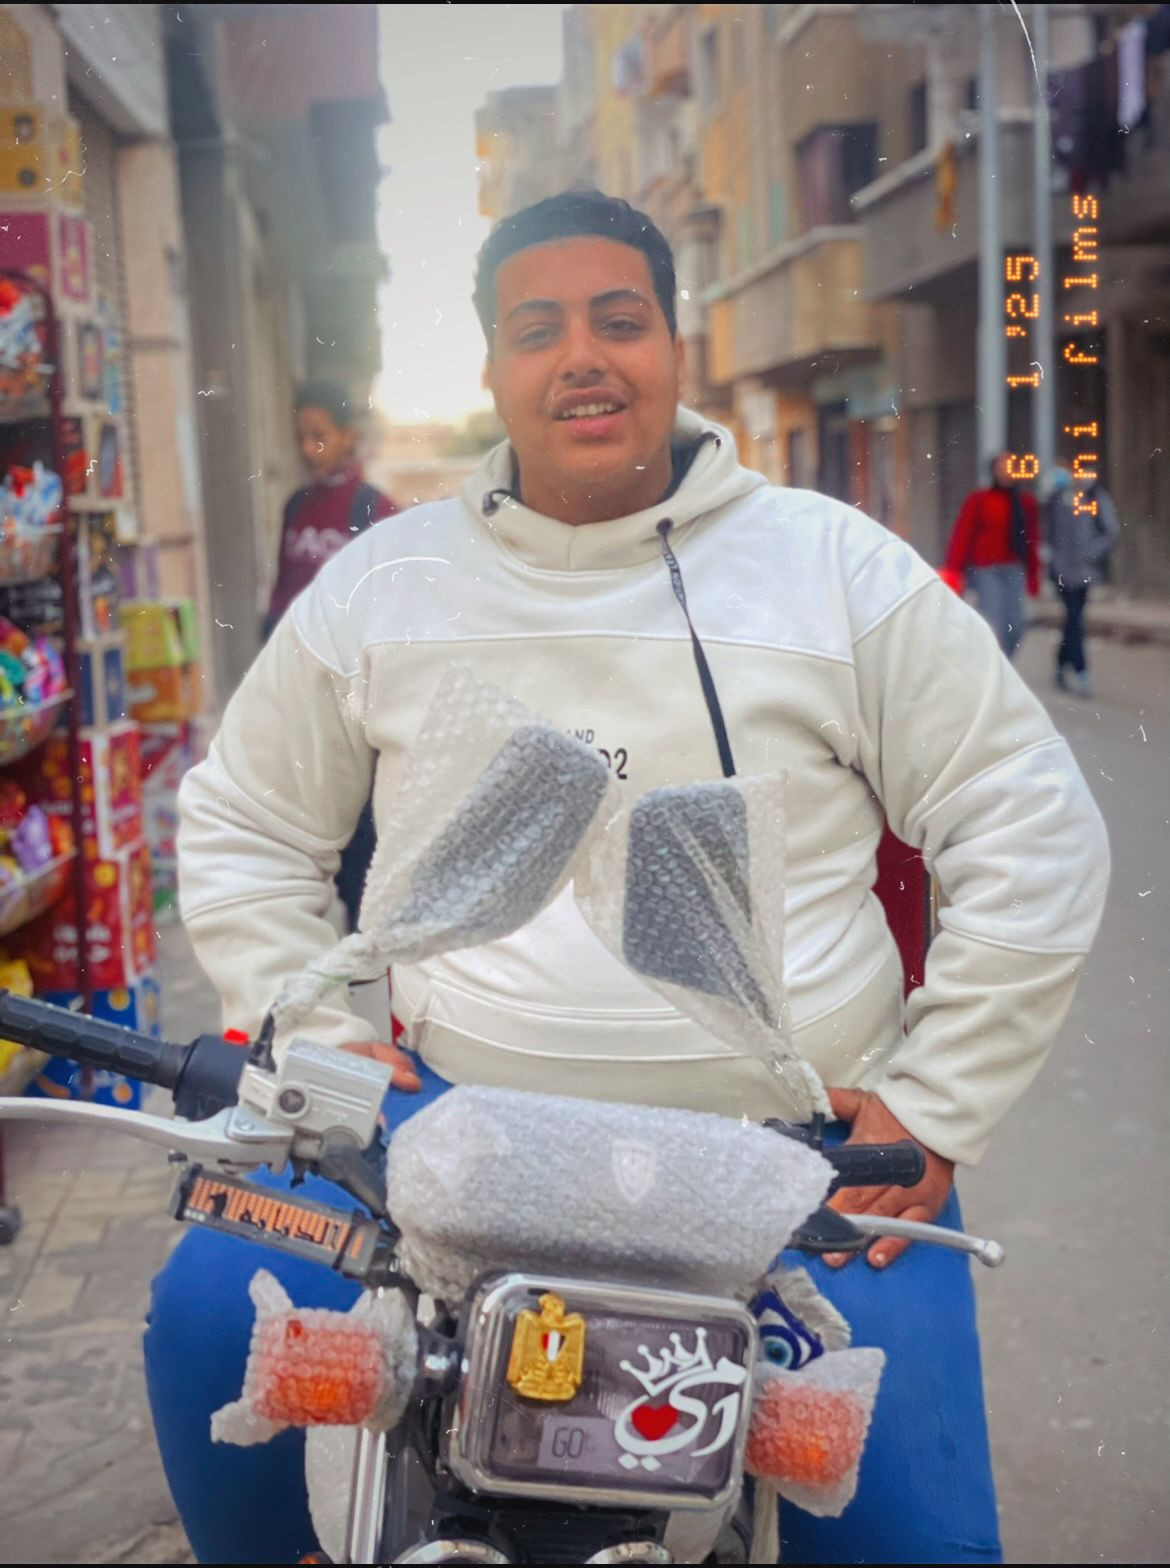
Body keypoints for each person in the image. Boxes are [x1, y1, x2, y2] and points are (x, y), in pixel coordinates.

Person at [154, 191, 1109, 1564]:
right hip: (448, 1150)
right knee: (206, 1325)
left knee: (906, 1528)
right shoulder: (382, 587)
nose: (581, 358)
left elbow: (1032, 823)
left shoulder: (835, 571)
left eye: (619, 319)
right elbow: (245, 821)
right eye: (536, 329)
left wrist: (936, 1097)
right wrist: (311, 1032)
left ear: (674, 346)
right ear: (493, 369)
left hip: (800, 1172)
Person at [263, 380, 398, 929]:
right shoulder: (297, 506)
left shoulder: (373, 509)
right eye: (300, 435)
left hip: (357, 702)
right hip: (304, 695)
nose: (307, 447)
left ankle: (372, 935)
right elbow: (280, 599)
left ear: (348, 436)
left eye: (319, 435)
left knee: (364, 834)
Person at [945, 454, 1041, 658]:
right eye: (1001, 469)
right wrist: (954, 570)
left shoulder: (1025, 502)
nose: (1006, 473)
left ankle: (1004, 662)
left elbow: (1032, 540)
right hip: (986, 569)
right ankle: (995, 665)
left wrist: (1034, 576)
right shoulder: (979, 500)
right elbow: (962, 534)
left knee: (1016, 625)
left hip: (1014, 568)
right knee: (993, 622)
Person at [1044, 457, 1120, 698]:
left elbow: (1110, 531)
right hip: (1062, 571)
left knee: (1073, 619)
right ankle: (1080, 669)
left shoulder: (1097, 498)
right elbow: (1049, 532)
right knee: (1074, 618)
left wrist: (1091, 552)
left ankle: (1062, 664)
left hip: (1084, 572)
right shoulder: (1059, 498)